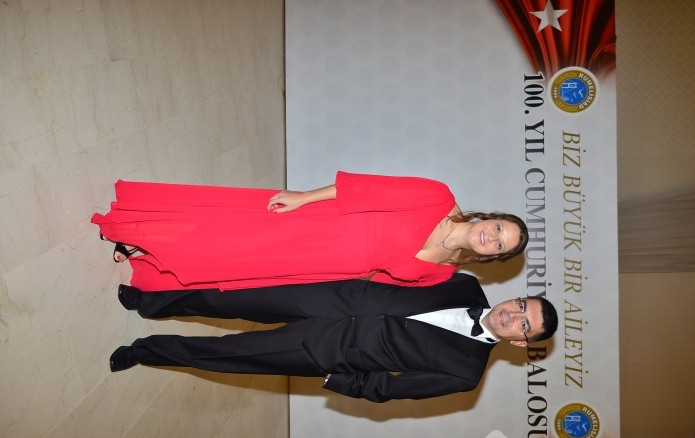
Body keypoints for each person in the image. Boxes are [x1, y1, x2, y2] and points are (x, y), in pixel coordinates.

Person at [109, 273, 558, 403]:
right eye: (522, 305)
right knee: (228, 297)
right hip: (328, 297)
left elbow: (391, 389)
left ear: (520, 343)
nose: (513, 315)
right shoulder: (466, 284)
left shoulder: (465, 373)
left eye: (524, 324)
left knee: (230, 353)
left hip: (328, 350)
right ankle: (149, 301)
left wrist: (338, 378)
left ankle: (144, 352)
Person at [92, 171, 528, 291]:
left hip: (323, 264)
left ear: (493, 256)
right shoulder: (437, 197)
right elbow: (365, 188)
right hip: (318, 225)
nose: (491, 237)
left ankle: (146, 251)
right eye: (498, 228)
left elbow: (380, 279)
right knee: (227, 234)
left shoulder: (443, 273)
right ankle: (137, 231)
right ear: (491, 217)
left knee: (230, 262)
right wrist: (304, 198)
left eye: (499, 244)